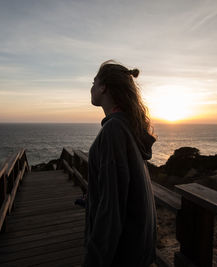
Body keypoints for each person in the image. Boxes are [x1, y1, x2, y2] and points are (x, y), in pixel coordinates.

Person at [83, 60, 157, 267]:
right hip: (136, 247)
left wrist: (93, 261)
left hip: (121, 255)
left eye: (94, 82)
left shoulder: (113, 131)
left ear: (103, 87)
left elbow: (111, 209)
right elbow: (121, 187)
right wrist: (93, 198)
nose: (91, 88)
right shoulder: (128, 126)